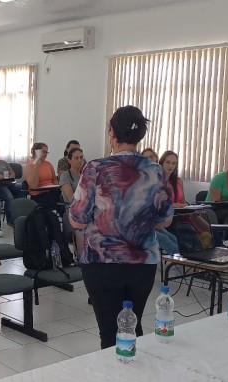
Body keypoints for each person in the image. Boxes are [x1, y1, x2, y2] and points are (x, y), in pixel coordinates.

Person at [69, 105, 173, 350]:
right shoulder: (156, 171)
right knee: (133, 326)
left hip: (102, 262)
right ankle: (138, 371)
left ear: (111, 132)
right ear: (141, 135)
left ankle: (118, 373)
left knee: (109, 333)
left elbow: (77, 220)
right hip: (143, 264)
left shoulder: (95, 168)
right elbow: (164, 220)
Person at [24, 142, 60, 208]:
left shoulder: (48, 164)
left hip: (51, 191)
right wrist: (36, 168)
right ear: (36, 152)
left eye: (47, 152)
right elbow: (33, 186)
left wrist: (58, 186)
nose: (45, 154)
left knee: (61, 194)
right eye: (44, 152)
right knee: (55, 199)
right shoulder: (29, 167)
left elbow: (54, 180)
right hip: (39, 194)